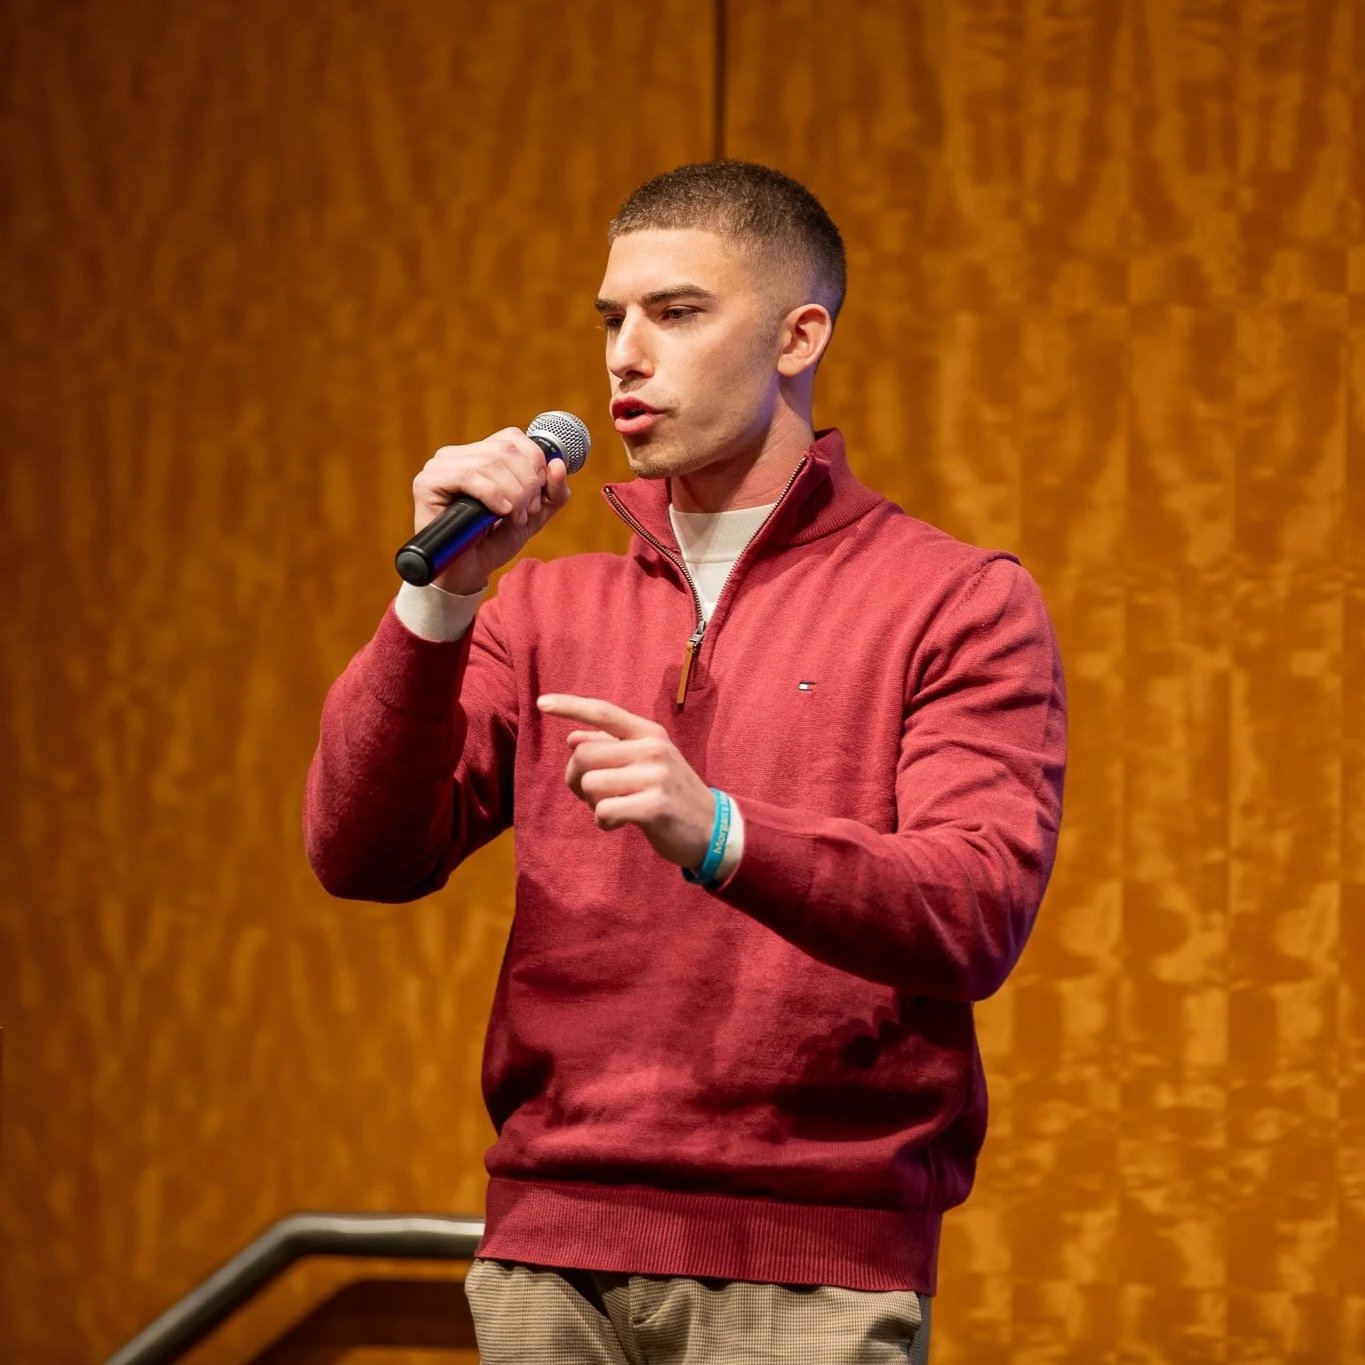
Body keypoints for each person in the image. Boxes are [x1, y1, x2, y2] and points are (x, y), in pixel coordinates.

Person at [305, 161, 1066, 1364]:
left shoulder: (954, 600)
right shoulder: (545, 601)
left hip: (808, 1259)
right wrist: (442, 604)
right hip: (550, 1250)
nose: (625, 355)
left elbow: (974, 911)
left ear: (797, 334)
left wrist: (720, 833)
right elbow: (361, 852)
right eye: (613, 317)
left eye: (677, 312)